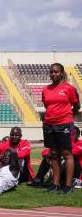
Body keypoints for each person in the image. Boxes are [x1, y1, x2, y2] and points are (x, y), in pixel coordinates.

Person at [41, 63, 80, 194]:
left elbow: (76, 106)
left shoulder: (69, 88)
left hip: (64, 124)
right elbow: (48, 107)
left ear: (62, 73)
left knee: (67, 154)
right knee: (54, 154)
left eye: (56, 72)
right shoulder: (45, 90)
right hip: (49, 125)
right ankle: (55, 184)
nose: (53, 74)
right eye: (51, 72)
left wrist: (68, 116)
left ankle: (68, 185)